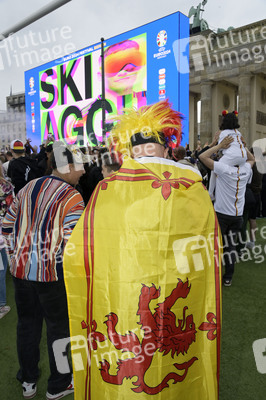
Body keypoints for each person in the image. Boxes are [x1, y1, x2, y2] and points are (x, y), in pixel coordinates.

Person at [63, 100, 222, 400]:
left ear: (131, 151)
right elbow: (209, 245)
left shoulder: (107, 191)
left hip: (125, 292)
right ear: (165, 147)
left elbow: (79, 247)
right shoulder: (193, 187)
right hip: (178, 290)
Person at [2, 143, 85, 399]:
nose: (82, 172)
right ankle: (58, 385)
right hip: (52, 274)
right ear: (67, 167)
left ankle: (28, 381)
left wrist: (18, 257)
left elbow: (6, 226)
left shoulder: (28, 186)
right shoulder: (72, 196)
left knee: (27, 326)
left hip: (21, 272)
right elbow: (73, 245)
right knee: (59, 329)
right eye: (79, 166)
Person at [199, 135, 255, 287]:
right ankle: (227, 277)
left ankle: (213, 276)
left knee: (216, 245)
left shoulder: (223, 168)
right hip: (237, 216)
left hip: (222, 214)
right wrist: (243, 146)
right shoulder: (245, 170)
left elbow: (202, 156)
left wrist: (218, 145)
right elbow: (252, 160)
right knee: (230, 247)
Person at [208, 110, 247, 200]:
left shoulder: (224, 133)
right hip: (243, 156)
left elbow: (221, 148)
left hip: (232, 156)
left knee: (214, 168)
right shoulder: (238, 132)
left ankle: (210, 194)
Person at [0, 162, 14, 319]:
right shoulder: (6, 186)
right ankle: (1, 305)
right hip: (2, 232)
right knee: (1, 270)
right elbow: (11, 211)